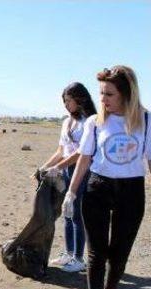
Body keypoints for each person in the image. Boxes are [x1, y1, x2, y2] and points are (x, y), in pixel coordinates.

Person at [62, 65, 150, 289]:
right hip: (98, 187)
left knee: (119, 253)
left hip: (132, 190)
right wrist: (72, 192)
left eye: (108, 94)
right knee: (96, 253)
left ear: (126, 94)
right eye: (101, 94)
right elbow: (85, 157)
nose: (102, 99)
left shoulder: (145, 121)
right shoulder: (95, 122)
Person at [38, 83, 97, 273]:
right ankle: (69, 253)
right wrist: (45, 167)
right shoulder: (66, 122)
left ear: (80, 100)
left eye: (68, 100)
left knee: (77, 213)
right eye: (64, 101)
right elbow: (61, 151)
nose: (65, 104)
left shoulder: (89, 121)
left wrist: (58, 167)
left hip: (82, 172)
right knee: (67, 212)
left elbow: (82, 153)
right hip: (65, 172)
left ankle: (79, 258)